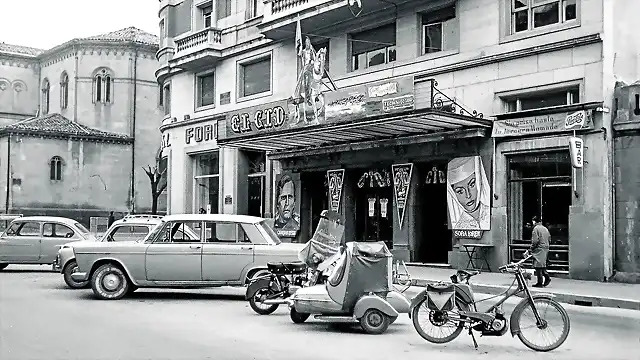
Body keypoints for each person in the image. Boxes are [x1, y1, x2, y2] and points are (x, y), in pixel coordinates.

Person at [446, 156, 491, 230]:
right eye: (460, 191)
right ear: (453, 194)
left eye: (472, 184)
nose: (468, 195)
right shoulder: (459, 227)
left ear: (479, 183)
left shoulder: (492, 214)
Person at [530, 216, 551, 287]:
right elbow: (549, 238)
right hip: (545, 248)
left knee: (537, 265)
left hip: (539, 248)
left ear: (534, 221)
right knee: (542, 265)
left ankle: (540, 282)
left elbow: (535, 240)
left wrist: (532, 247)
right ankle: (545, 278)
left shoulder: (536, 229)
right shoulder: (545, 228)